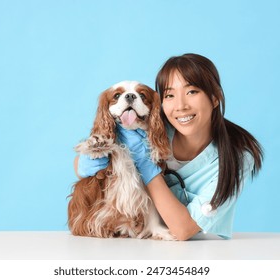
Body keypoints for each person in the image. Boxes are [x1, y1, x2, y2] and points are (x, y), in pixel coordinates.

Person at [74, 53, 263, 240]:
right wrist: (86, 163)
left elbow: (183, 230)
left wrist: (147, 167)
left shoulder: (237, 157)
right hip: (124, 238)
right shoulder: (147, 125)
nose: (180, 106)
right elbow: (81, 167)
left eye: (192, 92)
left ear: (215, 98)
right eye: (170, 95)